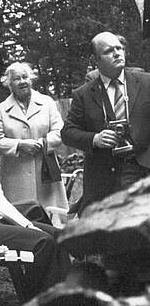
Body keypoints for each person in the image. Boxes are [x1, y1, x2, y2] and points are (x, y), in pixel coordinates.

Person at [61, 31, 150, 211]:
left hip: (142, 167)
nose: (117, 53)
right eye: (109, 51)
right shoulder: (84, 94)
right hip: (104, 175)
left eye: (119, 48)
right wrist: (95, 139)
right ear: (96, 59)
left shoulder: (146, 83)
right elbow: (67, 133)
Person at [0, 62, 68, 214]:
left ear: (31, 79)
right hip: (16, 176)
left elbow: (61, 131)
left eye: (25, 77)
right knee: (21, 219)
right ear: (9, 84)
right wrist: (20, 145)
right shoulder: (2, 109)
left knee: (51, 215)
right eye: (16, 79)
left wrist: (43, 143)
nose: (22, 81)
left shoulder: (47, 102)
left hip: (45, 171)